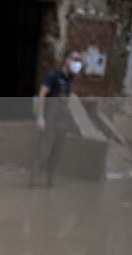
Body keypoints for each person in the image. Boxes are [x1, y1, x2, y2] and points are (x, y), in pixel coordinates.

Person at [30, 49, 82, 187]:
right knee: (43, 151)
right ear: (67, 60)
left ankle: (50, 181)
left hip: (62, 121)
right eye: (75, 59)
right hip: (50, 119)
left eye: (79, 60)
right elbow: (41, 94)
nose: (78, 63)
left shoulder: (69, 78)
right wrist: (40, 118)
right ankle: (34, 181)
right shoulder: (53, 75)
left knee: (57, 153)